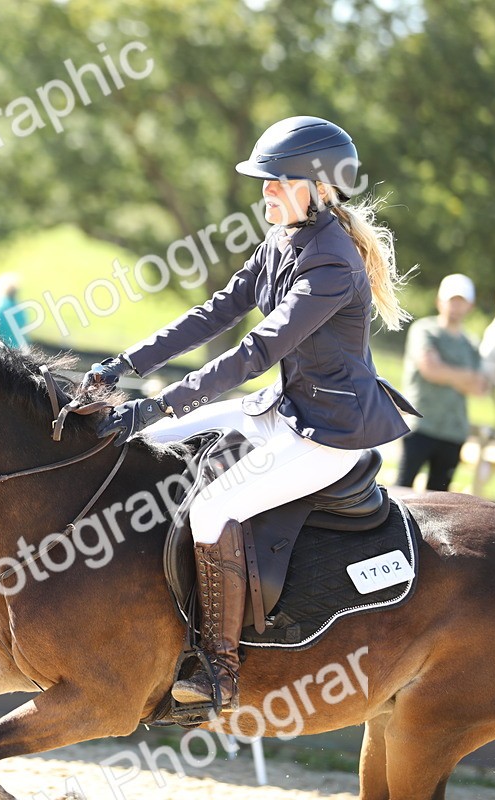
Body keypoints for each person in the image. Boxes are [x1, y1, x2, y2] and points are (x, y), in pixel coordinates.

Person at [81, 116, 419, 710]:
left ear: (318, 187)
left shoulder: (332, 263)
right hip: (284, 409)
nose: (266, 190)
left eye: (278, 180)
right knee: (159, 436)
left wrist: (157, 402)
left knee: (213, 509)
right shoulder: (282, 240)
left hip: (329, 435)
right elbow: (214, 313)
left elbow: (257, 351)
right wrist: (124, 365)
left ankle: (219, 669)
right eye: (265, 180)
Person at [395, 273, 488, 492]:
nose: (455, 307)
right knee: (401, 490)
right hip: (420, 425)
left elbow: (480, 387)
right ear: (439, 301)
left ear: (470, 306)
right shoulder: (425, 330)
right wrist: (465, 376)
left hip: (453, 432)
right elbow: (430, 370)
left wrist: (445, 371)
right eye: (451, 300)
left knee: (440, 498)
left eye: (461, 301)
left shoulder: (471, 344)